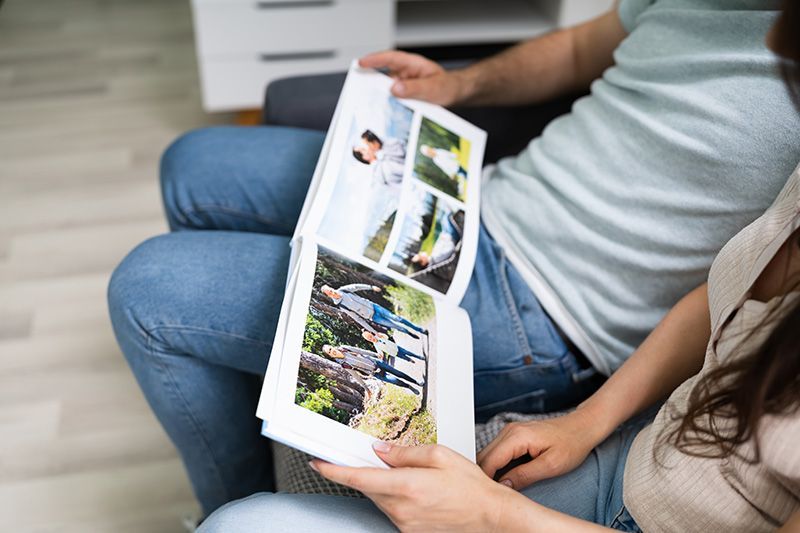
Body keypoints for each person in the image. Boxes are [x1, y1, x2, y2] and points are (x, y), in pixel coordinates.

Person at [107, 0, 800, 518]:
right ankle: (273, 441)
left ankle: (244, 491)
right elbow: (578, 49)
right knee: (191, 166)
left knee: (148, 288)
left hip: (545, 314)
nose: (773, 43)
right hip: (478, 205)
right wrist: (458, 88)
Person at [320, 283, 428, 338]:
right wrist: (374, 332)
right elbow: (358, 319)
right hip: (372, 317)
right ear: (328, 295)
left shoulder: (343, 290)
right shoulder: (341, 306)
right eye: (329, 293)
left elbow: (356, 286)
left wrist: (371, 287)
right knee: (396, 327)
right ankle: (409, 333)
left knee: (397, 318)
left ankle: (419, 329)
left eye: (330, 289)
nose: (332, 292)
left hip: (374, 306)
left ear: (331, 288)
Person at [322, 344, 422, 394]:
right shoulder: (343, 364)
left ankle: (416, 382)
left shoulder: (344, 348)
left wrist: (374, 354)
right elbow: (356, 376)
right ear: (330, 356)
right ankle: (408, 386)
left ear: (332, 347)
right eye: (329, 352)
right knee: (396, 381)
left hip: (377, 363)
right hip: (375, 373)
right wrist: (367, 389)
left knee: (399, 373)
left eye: (330, 349)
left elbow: (361, 351)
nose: (332, 351)